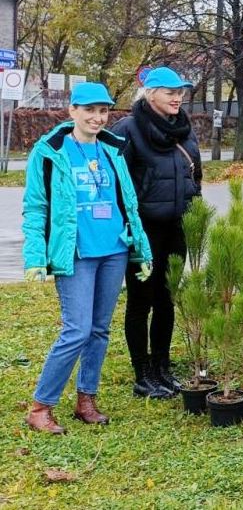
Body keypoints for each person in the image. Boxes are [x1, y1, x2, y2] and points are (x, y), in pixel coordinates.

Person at [22, 83, 153, 434]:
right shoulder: (49, 152)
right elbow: (35, 208)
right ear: (73, 111)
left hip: (114, 251)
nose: (97, 118)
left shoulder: (112, 150)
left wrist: (141, 251)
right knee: (76, 330)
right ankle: (41, 407)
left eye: (103, 111)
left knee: (99, 330)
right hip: (77, 255)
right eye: (89, 110)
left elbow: (129, 204)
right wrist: (35, 257)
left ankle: (86, 400)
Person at [110, 67, 202, 399]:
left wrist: (194, 207)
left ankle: (162, 367)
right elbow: (116, 182)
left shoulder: (184, 129)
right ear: (150, 94)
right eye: (170, 91)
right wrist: (128, 225)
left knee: (166, 298)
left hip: (177, 227)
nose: (177, 98)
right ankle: (143, 374)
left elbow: (195, 175)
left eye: (180, 92)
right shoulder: (128, 129)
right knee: (141, 300)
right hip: (143, 230)